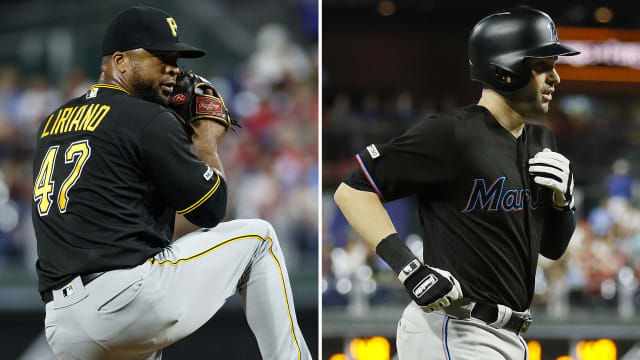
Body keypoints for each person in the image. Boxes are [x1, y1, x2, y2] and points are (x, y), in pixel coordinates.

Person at [33, 6, 311, 360]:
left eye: (176, 59)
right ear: (119, 62)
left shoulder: (51, 123)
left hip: (62, 324)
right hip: (124, 301)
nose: (174, 69)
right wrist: (206, 142)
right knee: (259, 239)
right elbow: (211, 210)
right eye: (160, 57)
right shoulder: (148, 119)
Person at [334, 7, 578, 359]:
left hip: (512, 336)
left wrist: (563, 206)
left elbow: (553, 249)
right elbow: (353, 190)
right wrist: (410, 269)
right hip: (455, 328)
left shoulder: (542, 141)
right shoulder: (451, 134)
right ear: (504, 69)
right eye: (542, 65)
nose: (555, 77)